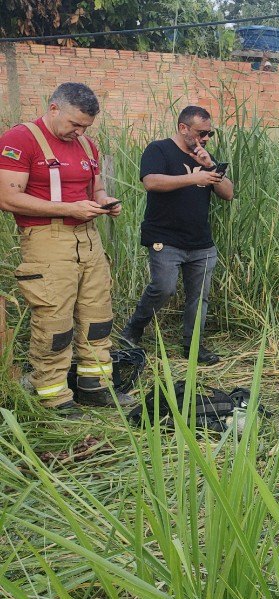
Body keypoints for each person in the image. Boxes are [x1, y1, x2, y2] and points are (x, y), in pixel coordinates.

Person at [0, 82, 136, 412]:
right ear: (54, 108)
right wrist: (69, 209)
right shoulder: (20, 139)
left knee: (97, 315)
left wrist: (105, 202)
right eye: (74, 124)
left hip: (89, 239)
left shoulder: (89, 145)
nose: (78, 132)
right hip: (47, 242)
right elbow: (7, 197)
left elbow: (97, 188)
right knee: (54, 322)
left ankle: (94, 384)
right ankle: (54, 395)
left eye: (85, 127)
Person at [119, 106, 235, 364]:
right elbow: (151, 182)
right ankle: (133, 329)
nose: (205, 139)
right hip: (165, 237)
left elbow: (227, 193)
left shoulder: (205, 158)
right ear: (183, 128)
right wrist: (194, 178)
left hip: (201, 241)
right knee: (163, 288)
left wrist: (211, 167)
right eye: (200, 133)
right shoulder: (158, 150)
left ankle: (193, 347)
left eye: (209, 134)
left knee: (199, 297)